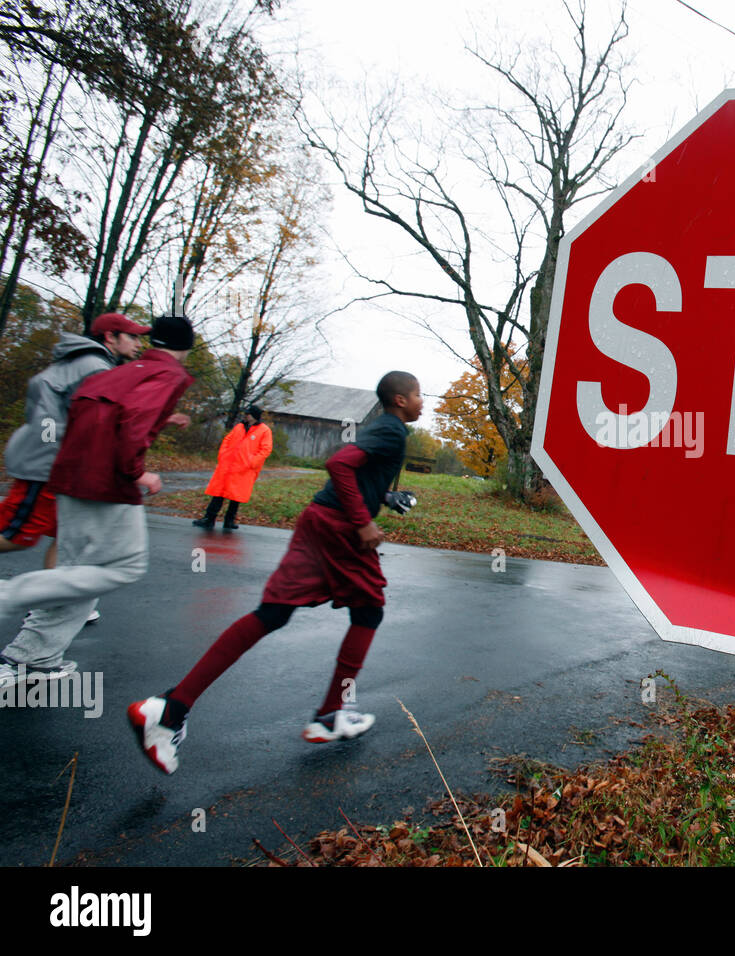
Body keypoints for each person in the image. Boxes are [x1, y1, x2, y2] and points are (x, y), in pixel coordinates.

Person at [129, 371, 422, 775]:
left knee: (272, 613)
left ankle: (171, 707)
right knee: (369, 610)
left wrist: (384, 497)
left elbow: (357, 472)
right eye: (420, 395)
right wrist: (362, 520)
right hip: (339, 529)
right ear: (402, 400)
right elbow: (339, 464)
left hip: (318, 520)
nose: (424, 402)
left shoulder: (383, 429)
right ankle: (330, 714)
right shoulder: (392, 430)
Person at [0, 315, 195, 689]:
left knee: (77, 573)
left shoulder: (118, 371)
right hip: (106, 483)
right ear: (186, 347)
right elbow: (133, 423)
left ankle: (30, 659)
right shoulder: (168, 374)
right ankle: (11, 593)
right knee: (126, 567)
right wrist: (137, 472)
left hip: (69, 477)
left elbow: (94, 413)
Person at [1, 313, 150, 567]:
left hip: (61, 467)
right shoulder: (95, 367)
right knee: (17, 536)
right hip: (46, 465)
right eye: (133, 336)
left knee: (68, 538)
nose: (139, 344)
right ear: (110, 337)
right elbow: (97, 424)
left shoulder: (88, 362)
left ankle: (49, 605)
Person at [193, 405, 273, 530]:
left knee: (236, 496)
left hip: (244, 469)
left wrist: (252, 462)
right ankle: (209, 519)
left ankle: (229, 521)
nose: (245, 416)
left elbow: (266, 449)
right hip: (228, 466)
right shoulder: (239, 426)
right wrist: (223, 455)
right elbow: (227, 440)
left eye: (248, 414)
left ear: (254, 416)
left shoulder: (264, 430)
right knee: (218, 493)